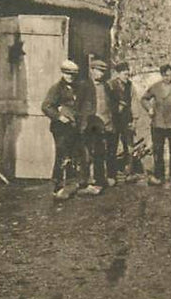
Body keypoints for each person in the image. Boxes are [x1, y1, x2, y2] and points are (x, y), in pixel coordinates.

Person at [75, 58, 120, 195]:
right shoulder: (84, 86)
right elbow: (78, 107)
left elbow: (110, 105)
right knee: (87, 154)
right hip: (90, 124)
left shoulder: (106, 86)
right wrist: (81, 123)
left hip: (104, 124)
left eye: (102, 72)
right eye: (97, 71)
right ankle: (85, 181)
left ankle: (99, 181)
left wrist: (110, 122)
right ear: (91, 70)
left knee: (101, 152)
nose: (100, 74)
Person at [42, 60, 81, 199]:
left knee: (71, 155)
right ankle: (57, 185)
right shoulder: (57, 88)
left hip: (73, 127)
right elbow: (46, 106)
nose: (70, 76)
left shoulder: (76, 88)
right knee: (61, 154)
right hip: (60, 128)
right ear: (62, 73)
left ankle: (69, 185)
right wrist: (59, 116)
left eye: (73, 74)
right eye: (67, 73)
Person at [108, 62, 144, 179]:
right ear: (118, 74)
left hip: (126, 120)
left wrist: (135, 120)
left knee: (129, 147)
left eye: (128, 74)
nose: (126, 76)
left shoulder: (130, 86)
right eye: (124, 74)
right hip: (113, 120)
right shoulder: (110, 85)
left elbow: (134, 102)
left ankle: (129, 172)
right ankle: (111, 174)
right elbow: (106, 103)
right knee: (112, 146)